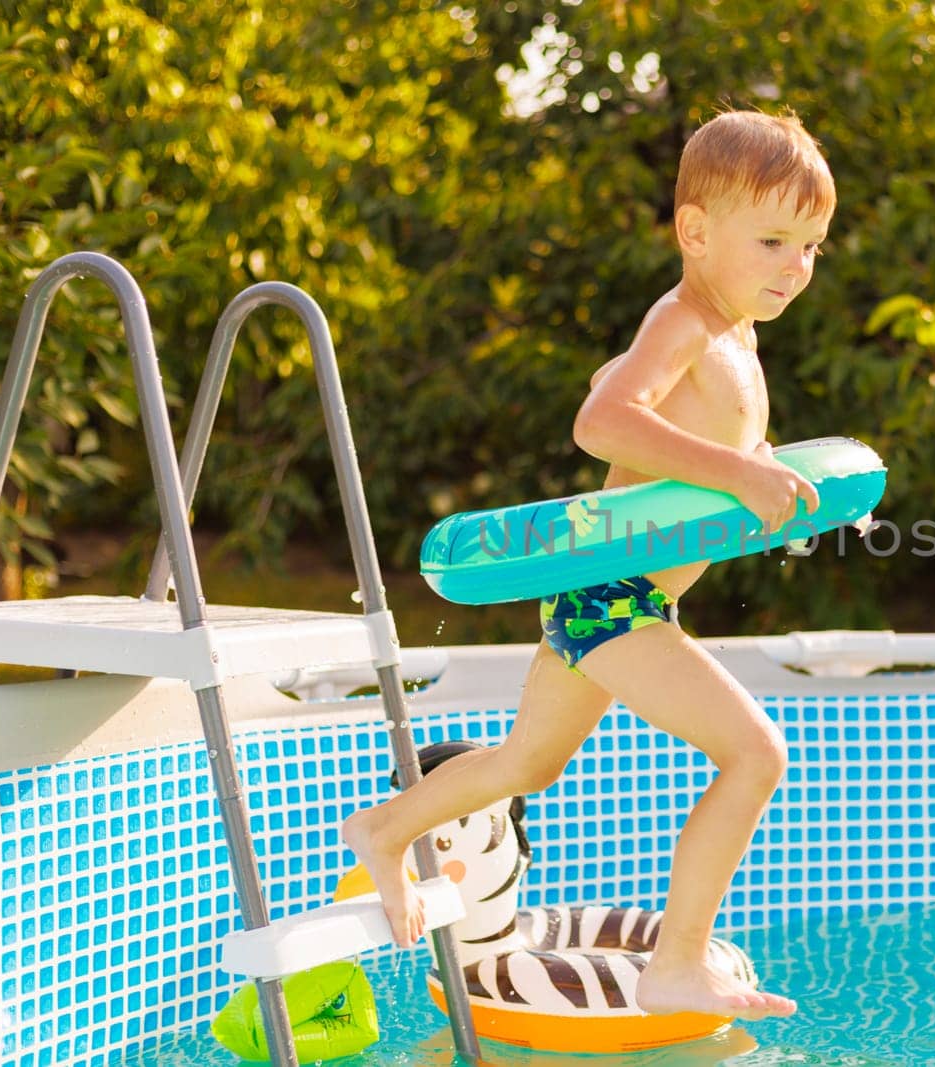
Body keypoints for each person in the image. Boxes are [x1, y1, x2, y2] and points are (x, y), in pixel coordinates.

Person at [343, 108, 835, 1022]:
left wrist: (765, 486)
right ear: (695, 232)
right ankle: (678, 960)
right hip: (614, 599)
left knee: (530, 763)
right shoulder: (685, 317)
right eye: (772, 240)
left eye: (811, 246)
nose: (794, 265)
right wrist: (735, 466)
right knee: (754, 754)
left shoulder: (734, 337)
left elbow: (666, 428)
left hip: (623, 597)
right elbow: (602, 422)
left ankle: (383, 826)